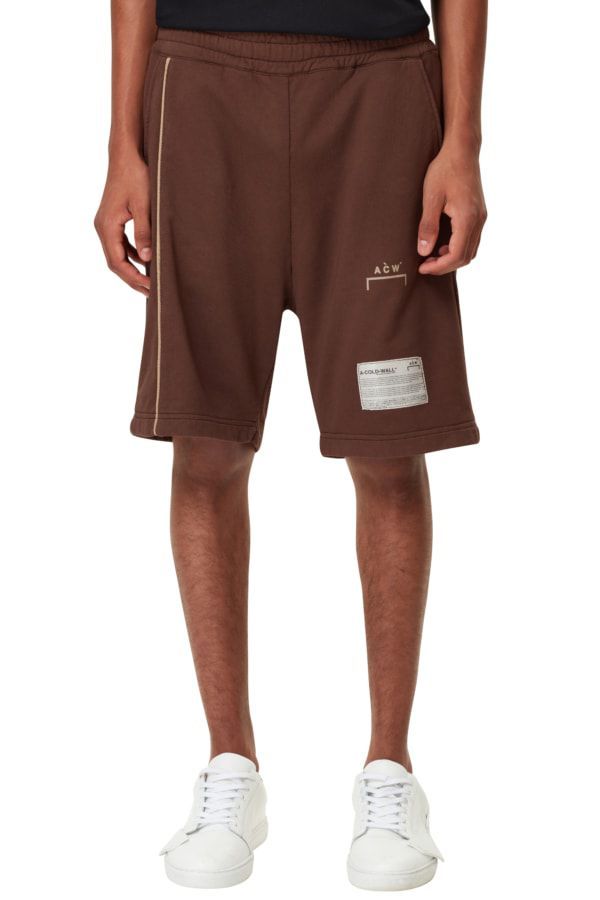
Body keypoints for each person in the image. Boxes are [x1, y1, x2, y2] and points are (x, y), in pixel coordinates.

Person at [95, 0, 486, 890]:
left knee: (388, 446)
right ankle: (230, 765)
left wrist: (461, 141)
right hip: (200, 82)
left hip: (379, 89)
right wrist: (122, 146)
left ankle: (390, 771)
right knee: (206, 443)